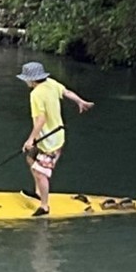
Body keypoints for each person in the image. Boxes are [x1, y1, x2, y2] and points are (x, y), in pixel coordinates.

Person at [16, 61, 94, 217]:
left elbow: (41, 120)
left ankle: (44, 207)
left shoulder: (36, 94)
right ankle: (38, 192)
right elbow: (67, 92)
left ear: (31, 80)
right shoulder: (51, 83)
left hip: (49, 140)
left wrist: (30, 140)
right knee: (31, 159)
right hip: (57, 134)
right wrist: (80, 101)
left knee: (40, 173)